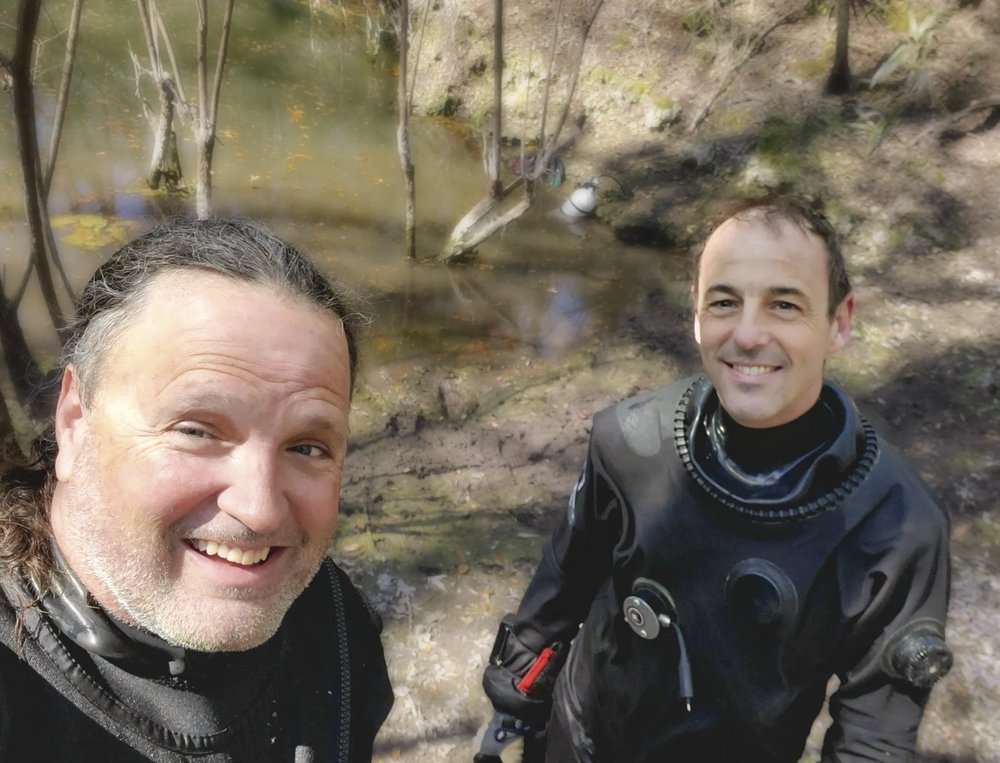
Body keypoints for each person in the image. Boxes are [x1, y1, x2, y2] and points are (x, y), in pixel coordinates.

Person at [480, 198, 953, 762]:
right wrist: (514, 701)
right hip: (578, 738)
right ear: (698, 316)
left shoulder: (897, 528)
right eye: (725, 302)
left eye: (784, 304)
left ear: (839, 322)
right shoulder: (630, 440)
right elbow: (565, 577)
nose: (749, 335)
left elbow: (874, 736)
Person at [0, 219, 393, 761]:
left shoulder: (336, 630)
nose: (258, 510)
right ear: (73, 422)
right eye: (196, 431)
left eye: (307, 447)